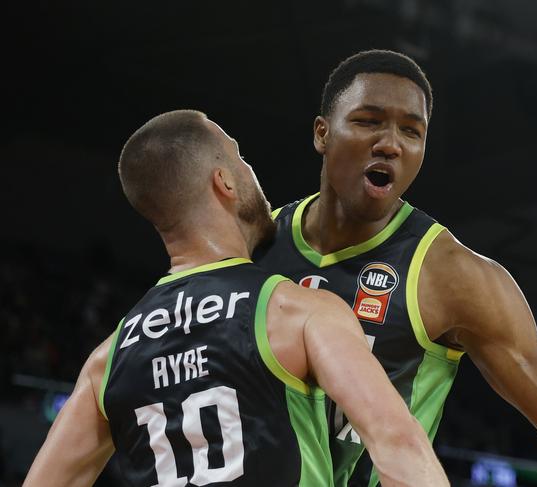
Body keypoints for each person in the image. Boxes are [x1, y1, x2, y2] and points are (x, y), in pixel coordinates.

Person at [253, 49, 537, 486]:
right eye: (368, 121)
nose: (390, 143)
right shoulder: (255, 244)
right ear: (322, 133)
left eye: (411, 131)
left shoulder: (451, 274)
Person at [23, 110, 450, 487]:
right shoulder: (294, 311)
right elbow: (398, 444)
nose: (250, 171)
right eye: (240, 158)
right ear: (224, 181)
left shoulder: (108, 360)